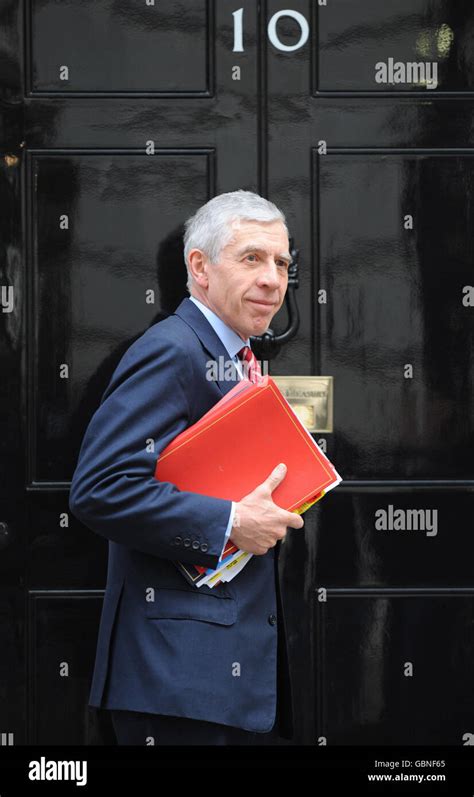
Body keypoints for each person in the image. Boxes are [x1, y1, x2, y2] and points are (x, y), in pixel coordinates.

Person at [69, 190, 304, 745]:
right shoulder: (173, 350)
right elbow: (100, 489)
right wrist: (229, 523)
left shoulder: (234, 356)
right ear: (199, 267)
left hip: (221, 683)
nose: (273, 279)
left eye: (282, 263)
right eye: (252, 258)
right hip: (178, 685)